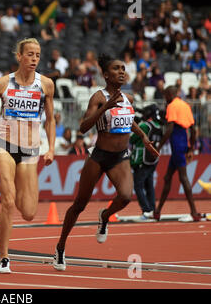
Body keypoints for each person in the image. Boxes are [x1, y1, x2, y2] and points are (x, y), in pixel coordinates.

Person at [53, 54, 159, 271]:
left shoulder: (127, 97)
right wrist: (105, 107)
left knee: (126, 196)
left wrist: (144, 137)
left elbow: (130, 122)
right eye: (116, 69)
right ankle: (60, 247)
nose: (122, 71)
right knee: (79, 205)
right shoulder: (98, 97)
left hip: (120, 156)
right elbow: (83, 127)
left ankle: (104, 215)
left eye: (123, 68)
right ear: (106, 74)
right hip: (99, 156)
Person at [0, 38, 56, 273]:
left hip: (31, 150)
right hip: (5, 147)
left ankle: (19, 204)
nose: (34, 59)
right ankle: (4, 257)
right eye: (29, 54)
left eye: (38, 55)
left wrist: (51, 148)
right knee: (8, 201)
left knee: (29, 212)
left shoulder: (46, 85)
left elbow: (50, 120)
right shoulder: (3, 83)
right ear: (19, 56)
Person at [153, 86, 203, 222]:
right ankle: (157, 211)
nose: (165, 98)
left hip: (177, 142)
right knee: (167, 177)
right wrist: (191, 148)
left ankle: (194, 212)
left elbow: (169, 130)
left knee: (183, 178)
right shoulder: (185, 105)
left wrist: (158, 146)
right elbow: (193, 129)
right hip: (184, 140)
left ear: (170, 94)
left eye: (165, 95)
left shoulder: (172, 106)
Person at [130, 104, 163, 220]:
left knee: (138, 185)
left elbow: (131, 138)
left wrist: (136, 124)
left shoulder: (145, 125)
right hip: (153, 159)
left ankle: (146, 210)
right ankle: (152, 209)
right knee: (149, 185)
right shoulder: (159, 126)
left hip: (142, 159)